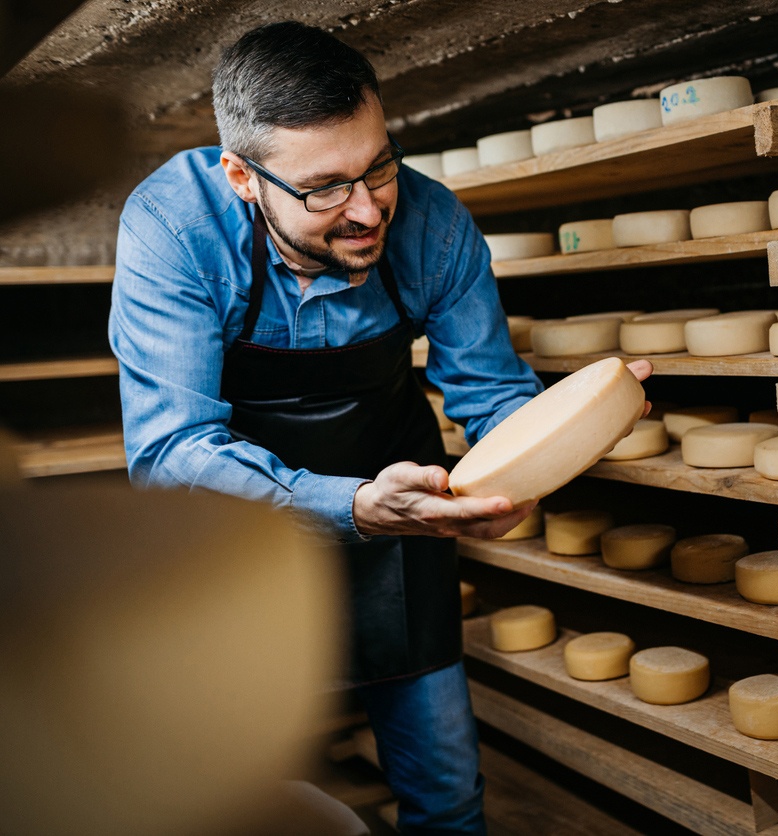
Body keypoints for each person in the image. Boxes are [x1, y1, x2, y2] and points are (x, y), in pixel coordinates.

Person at [108, 20, 651, 834]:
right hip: (228, 533)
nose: (368, 210)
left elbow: (492, 395)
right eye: (324, 188)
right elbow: (171, 452)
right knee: (229, 791)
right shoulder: (174, 230)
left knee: (446, 790)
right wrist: (354, 504)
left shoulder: (431, 223)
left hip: (403, 513)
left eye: (379, 166)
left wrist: (567, 427)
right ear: (241, 177)